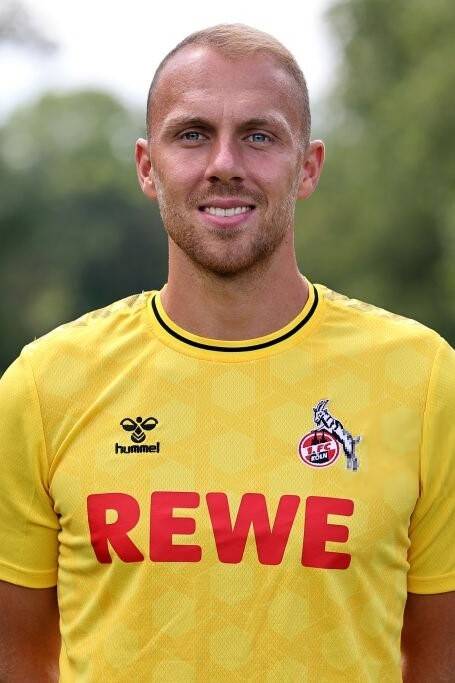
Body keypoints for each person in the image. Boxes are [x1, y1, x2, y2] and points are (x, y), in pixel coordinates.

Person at [0, 22, 454, 682]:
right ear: (147, 167)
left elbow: (438, 658)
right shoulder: (45, 385)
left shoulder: (424, 379)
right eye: (192, 134)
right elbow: (17, 655)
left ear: (308, 167)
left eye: (259, 136)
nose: (223, 164)